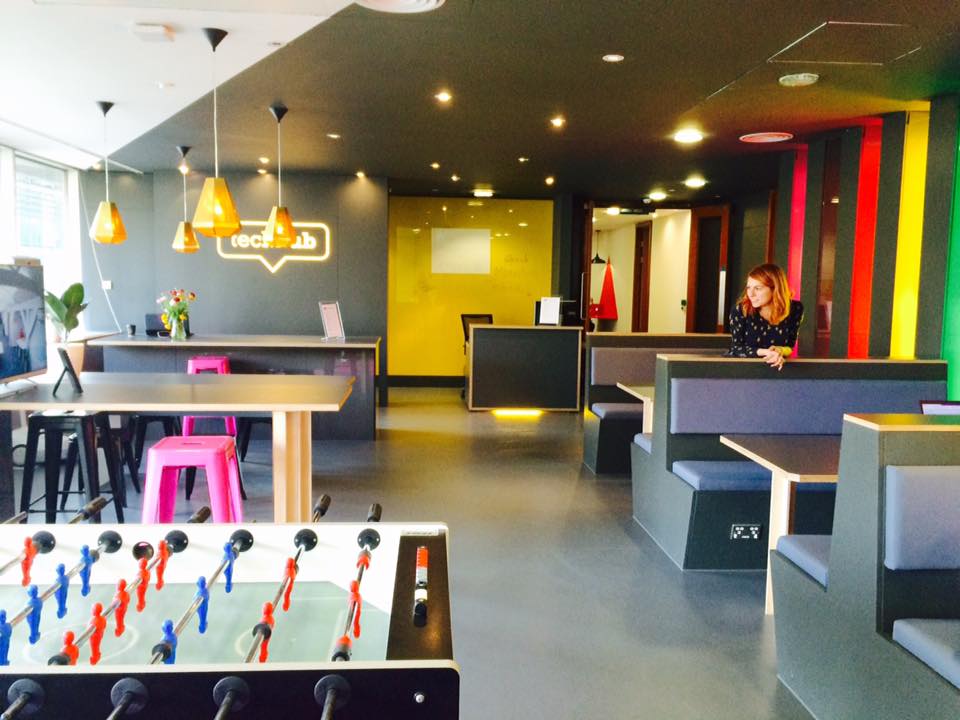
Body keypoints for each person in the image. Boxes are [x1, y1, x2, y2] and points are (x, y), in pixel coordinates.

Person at [726, 263, 803, 371]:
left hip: (777, 369)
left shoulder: (795, 309)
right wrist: (766, 352)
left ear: (775, 288)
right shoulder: (741, 310)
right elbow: (736, 349)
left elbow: (790, 346)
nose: (751, 294)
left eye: (757, 288)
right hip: (742, 370)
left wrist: (779, 350)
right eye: (748, 288)